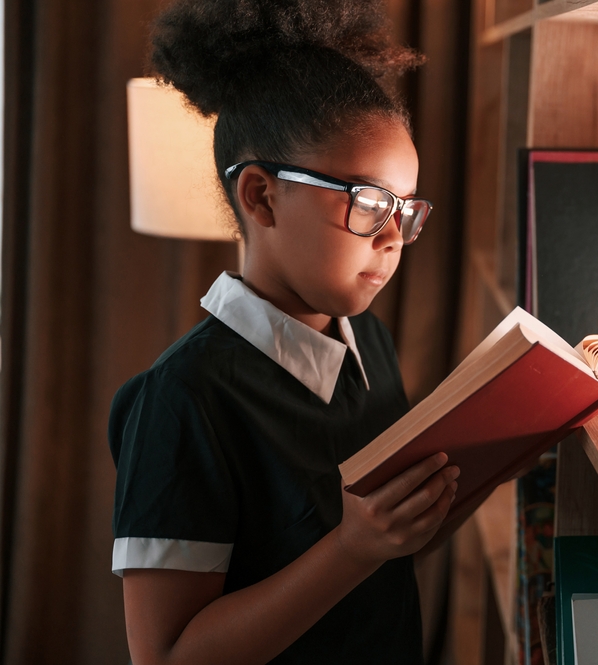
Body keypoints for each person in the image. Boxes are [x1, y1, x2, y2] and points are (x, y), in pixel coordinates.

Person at [108, 1, 458, 662]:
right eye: (368, 202)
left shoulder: (370, 345)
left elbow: (393, 542)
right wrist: (351, 548)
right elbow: (167, 654)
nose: (393, 238)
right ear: (262, 196)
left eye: (405, 209)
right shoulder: (182, 399)